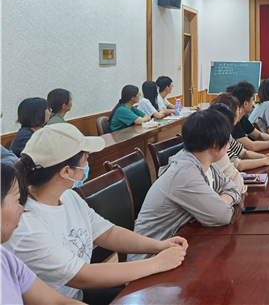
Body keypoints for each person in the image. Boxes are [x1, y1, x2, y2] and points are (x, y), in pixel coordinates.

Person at [6, 124, 188, 303]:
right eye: (85, 159)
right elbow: (82, 276)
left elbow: (108, 233)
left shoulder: (68, 196)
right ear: (66, 171)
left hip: (77, 295)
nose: (88, 164)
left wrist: (159, 246)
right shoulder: (26, 225)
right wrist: (156, 263)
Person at [130, 110, 240, 261]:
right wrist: (215, 206)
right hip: (151, 259)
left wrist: (217, 203)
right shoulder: (185, 172)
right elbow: (223, 216)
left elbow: (232, 188)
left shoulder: (205, 162)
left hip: (176, 247)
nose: (229, 144)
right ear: (215, 145)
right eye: (227, 140)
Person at [1, 162, 84, 305]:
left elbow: (58, 302)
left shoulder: (5, 258)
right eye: (17, 200)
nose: (21, 209)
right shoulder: (27, 230)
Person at [210, 94, 269, 172]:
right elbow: (238, 165)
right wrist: (265, 161)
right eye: (238, 111)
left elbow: (242, 152)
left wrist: (264, 157)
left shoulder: (227, 133)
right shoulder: (217, 136)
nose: (239, 112)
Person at [226, 81, 269, 151]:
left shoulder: (242, 118)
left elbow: (259, 135)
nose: (253, 102)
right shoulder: (233, 123)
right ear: (245, 104)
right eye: (252, 99)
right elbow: (251, 146)